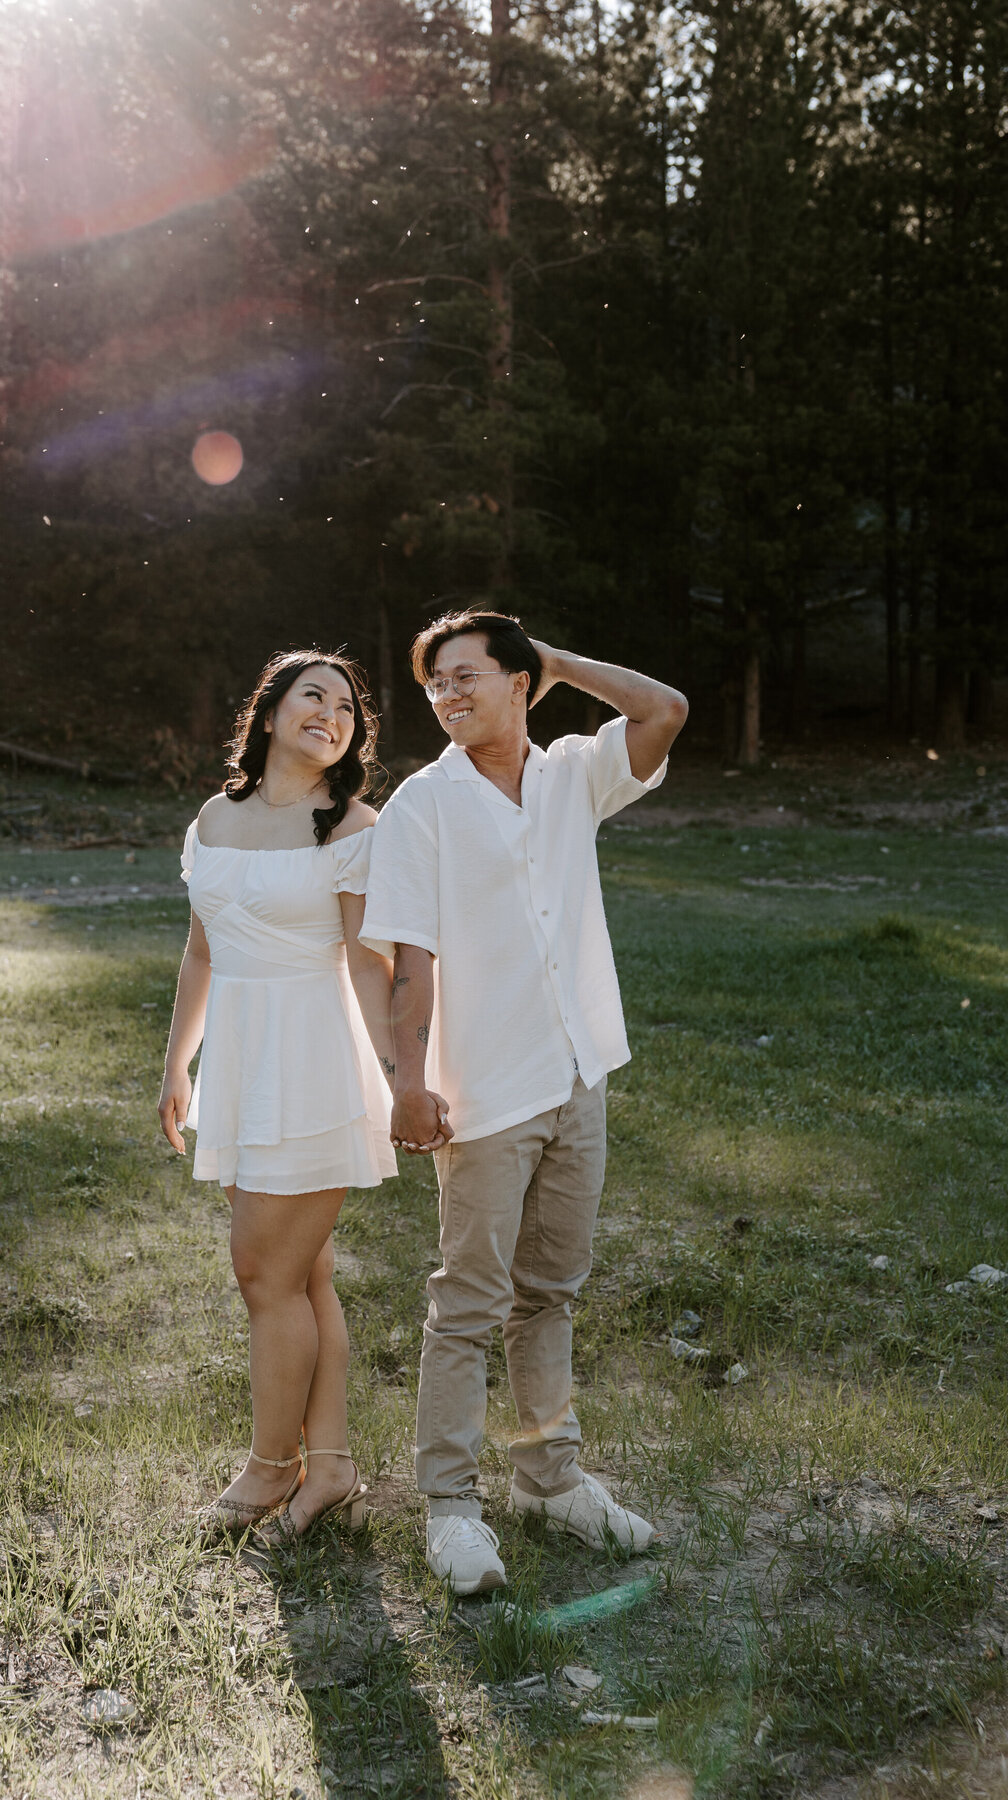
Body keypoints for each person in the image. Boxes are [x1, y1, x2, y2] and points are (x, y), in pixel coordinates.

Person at [360, 610, 688, 1595]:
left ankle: (552, 1482)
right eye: (434, 686)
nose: (449, 695)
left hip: (578, 1071)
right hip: (487, 1090)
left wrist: (562, 661)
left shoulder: (572, 775)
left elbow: (665, 709)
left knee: (550, 1294)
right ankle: (453, 1511)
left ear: (520, 683)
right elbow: (407, 958)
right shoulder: (423, 807)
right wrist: (408, 1082)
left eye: (468, 676)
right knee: (467, 1303)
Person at [158, 649, 403, 1542]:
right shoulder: (214, 821)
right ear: (268, 715)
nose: (332, 714)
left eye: (346, 708)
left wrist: (400, 1076)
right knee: (303, 1273)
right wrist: (177, 1065)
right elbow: (202, 952)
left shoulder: (349, 827)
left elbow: (371, 965)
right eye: (314, 696)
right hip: (240, 1063)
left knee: (264, 1275)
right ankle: (329, 1465)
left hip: (309, 1064)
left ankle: (270, 1469)